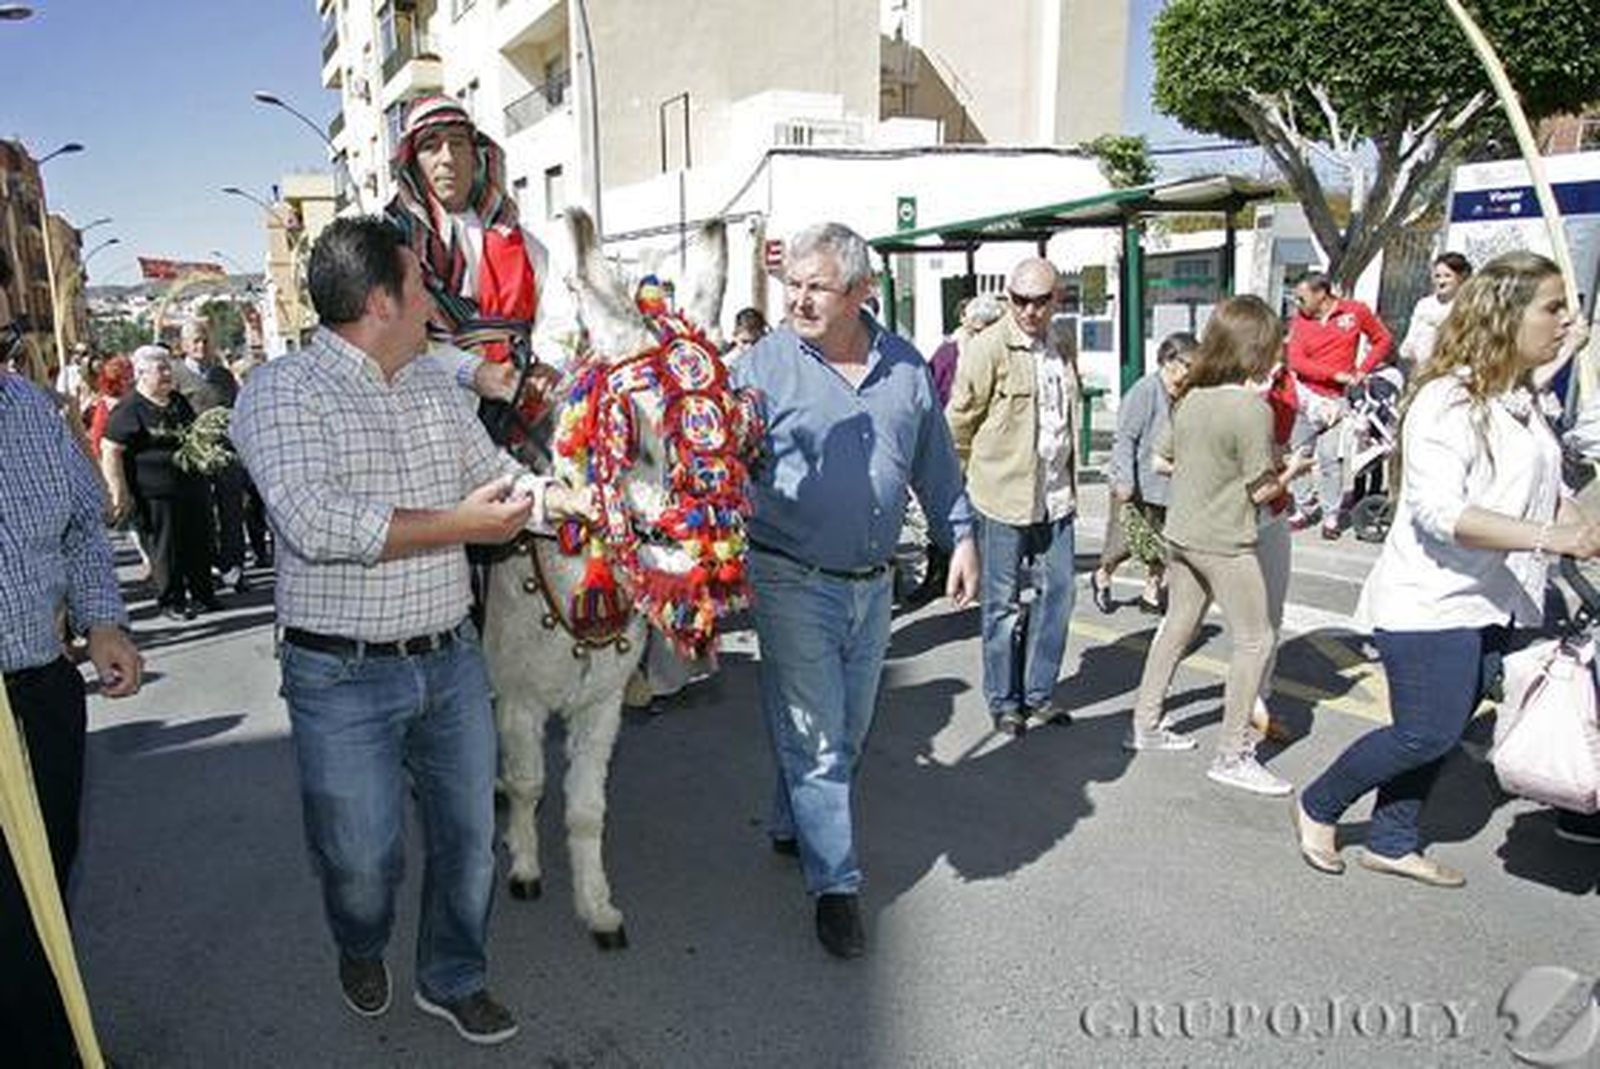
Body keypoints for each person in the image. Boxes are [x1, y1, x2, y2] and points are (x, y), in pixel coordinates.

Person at [231, 216, 592, 1046]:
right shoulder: (282, 392)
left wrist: (575, 503)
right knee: (362, 860)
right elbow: (317, 521)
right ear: (379, 300)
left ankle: (453, 975)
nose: (436, 298)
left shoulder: (434, 383)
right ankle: (361, 943)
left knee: (470, 841)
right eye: (421, 284)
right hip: (340, 676)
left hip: (450, 661)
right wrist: (460, 525)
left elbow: (497, 482)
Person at [1296, 251, 1600, 886]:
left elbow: (1539, 478)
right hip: (1431, 601)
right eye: (1550, 308)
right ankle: (1319, 803)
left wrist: (1576, 523)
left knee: (1444, 729)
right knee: (1424, 734)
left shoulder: (1516, 398)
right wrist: (1555, 538)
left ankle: (1393, 838)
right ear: (1506, 315)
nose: (1562, 320)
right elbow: (1441, 513)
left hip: (1496, 598)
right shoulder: (1444, 399)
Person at [730, 222, 977, 959]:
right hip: (788, 575)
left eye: (817, 286)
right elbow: (718, 466)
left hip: (876, 585)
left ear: (863, 292)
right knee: (818, 737)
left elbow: (933, 462)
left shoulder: (903, 366)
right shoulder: (761, 368)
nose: (799, 299)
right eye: (793, 285)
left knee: (846, 729)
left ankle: (791, 821)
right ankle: (835, 886)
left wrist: (958, 534)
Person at [0, 251, 144, 1067]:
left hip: (42, 697)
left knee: (43, 892)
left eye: (5, 336)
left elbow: (86, 525)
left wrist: (102, 619)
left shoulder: (26, 410)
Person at [1125, 296, 1309, 796]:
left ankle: (1145, 724)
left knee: (1176, 627)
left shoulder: (1192, 399)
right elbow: (1262, 491)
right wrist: (1294, 468)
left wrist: (1213, 473)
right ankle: (1232, 753)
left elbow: (1162, 461)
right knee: (1257, 639)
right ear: (1257, 347)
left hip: (1183, 534)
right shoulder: (1250, 409)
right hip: (1226, 541)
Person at [946, 258, 1080, 736]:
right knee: (1001, 605)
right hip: (1001, 496)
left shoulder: (1062, 343)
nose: (1027, 310)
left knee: (1060, 594)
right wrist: (956, 491)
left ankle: (1039, 694)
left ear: (1056, 300)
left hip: (1056, 495)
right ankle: (1005, 702)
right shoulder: (987, 349)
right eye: (1018, 300)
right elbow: (958, 423)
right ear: (1008, 298)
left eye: (1039, 301)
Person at [102, 345, 220, 621]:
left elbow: (193, 435)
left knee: (199, 540)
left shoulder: (178, 401)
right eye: (161, 369)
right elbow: (111, 449)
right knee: (165, 548)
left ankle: (204, 594)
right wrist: (119, 491)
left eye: (169, 368)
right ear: (141, 374)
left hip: (191, 485)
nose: (168, 374)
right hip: (154, 492)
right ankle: (172, 601)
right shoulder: (129, 409)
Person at [1091, 331, 1196, 615]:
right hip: (1137, 481)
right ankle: (1103, 574)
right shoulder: (1145, 390)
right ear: (1169, 361)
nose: (1192, 371)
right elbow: (1125, 437)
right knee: (1124, 542)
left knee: (1162, 543)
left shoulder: (1186, 394)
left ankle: (1151, 591)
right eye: (1189, 365)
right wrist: (1124, 479)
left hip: (1169, 484)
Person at [1286, 273, 1393, 539]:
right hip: (1305, 396)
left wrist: (1362, 370)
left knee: (1329, 457)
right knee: (1300, 452)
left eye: (1302, 297)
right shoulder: (1301, 320)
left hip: (1338, 400)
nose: (1298, 303)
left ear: (1321, 293)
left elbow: (1382, 339)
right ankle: (1304, 507)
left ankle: (1331, 516)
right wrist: (1334, 374)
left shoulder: (1355, 312)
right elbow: (1296, 360)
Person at [174, 317, 253, 593]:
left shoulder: (222, 375)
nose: (201, 345)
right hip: (195, 457)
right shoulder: (175, 377)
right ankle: (207, 568)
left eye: (205, 339)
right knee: (202, 516)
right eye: (195, 340)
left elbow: (236, 412)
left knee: (232, 513)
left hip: (226, 454)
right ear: (183, 345)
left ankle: (234, 569)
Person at [1397, 252, 1472, 375]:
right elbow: (1411, 339)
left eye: (1447, 276)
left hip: (1453, 372)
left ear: (1461, 277)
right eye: (1437, 276)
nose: (1441, 281)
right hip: (1422, 370)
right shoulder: (1424, 305)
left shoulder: (1466, 307)